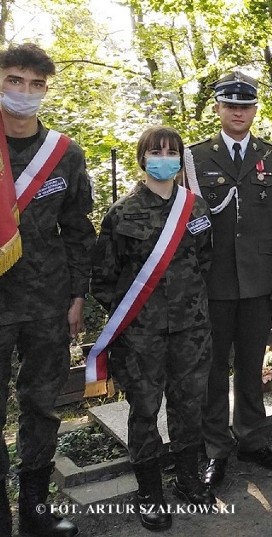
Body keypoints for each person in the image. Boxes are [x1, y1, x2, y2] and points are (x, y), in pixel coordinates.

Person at [91, 127, 215, 530]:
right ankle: (149, 491)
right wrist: (137, 319)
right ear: (142, 157)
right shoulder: (122, 214)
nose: (165, 156)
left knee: (189, 404)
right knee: (144, 410)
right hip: (141, 335)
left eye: (172, 151)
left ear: (181, 158)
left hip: (191, 329)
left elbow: (206, 262)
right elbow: (104, 280)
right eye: (156, 150)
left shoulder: (194, 208)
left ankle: (187, 479)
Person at [0, 43, 94, 537]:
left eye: (36, 84)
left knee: (41, 404)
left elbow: (79, 229)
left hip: (46, 301)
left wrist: (77, 296)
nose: (24, 93)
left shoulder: (64, 152)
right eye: (14, 80)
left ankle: (34, 509)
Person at [189, 71, 272, 487]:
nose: (238, 112)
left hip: (259, 284)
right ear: (218, 109)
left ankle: (252, 440)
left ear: (254, 110)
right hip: (213, 284)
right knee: (214, 369)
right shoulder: (196, 157)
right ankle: (215, 448)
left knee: (252, 366)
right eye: (230, 105)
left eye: (245, 105)